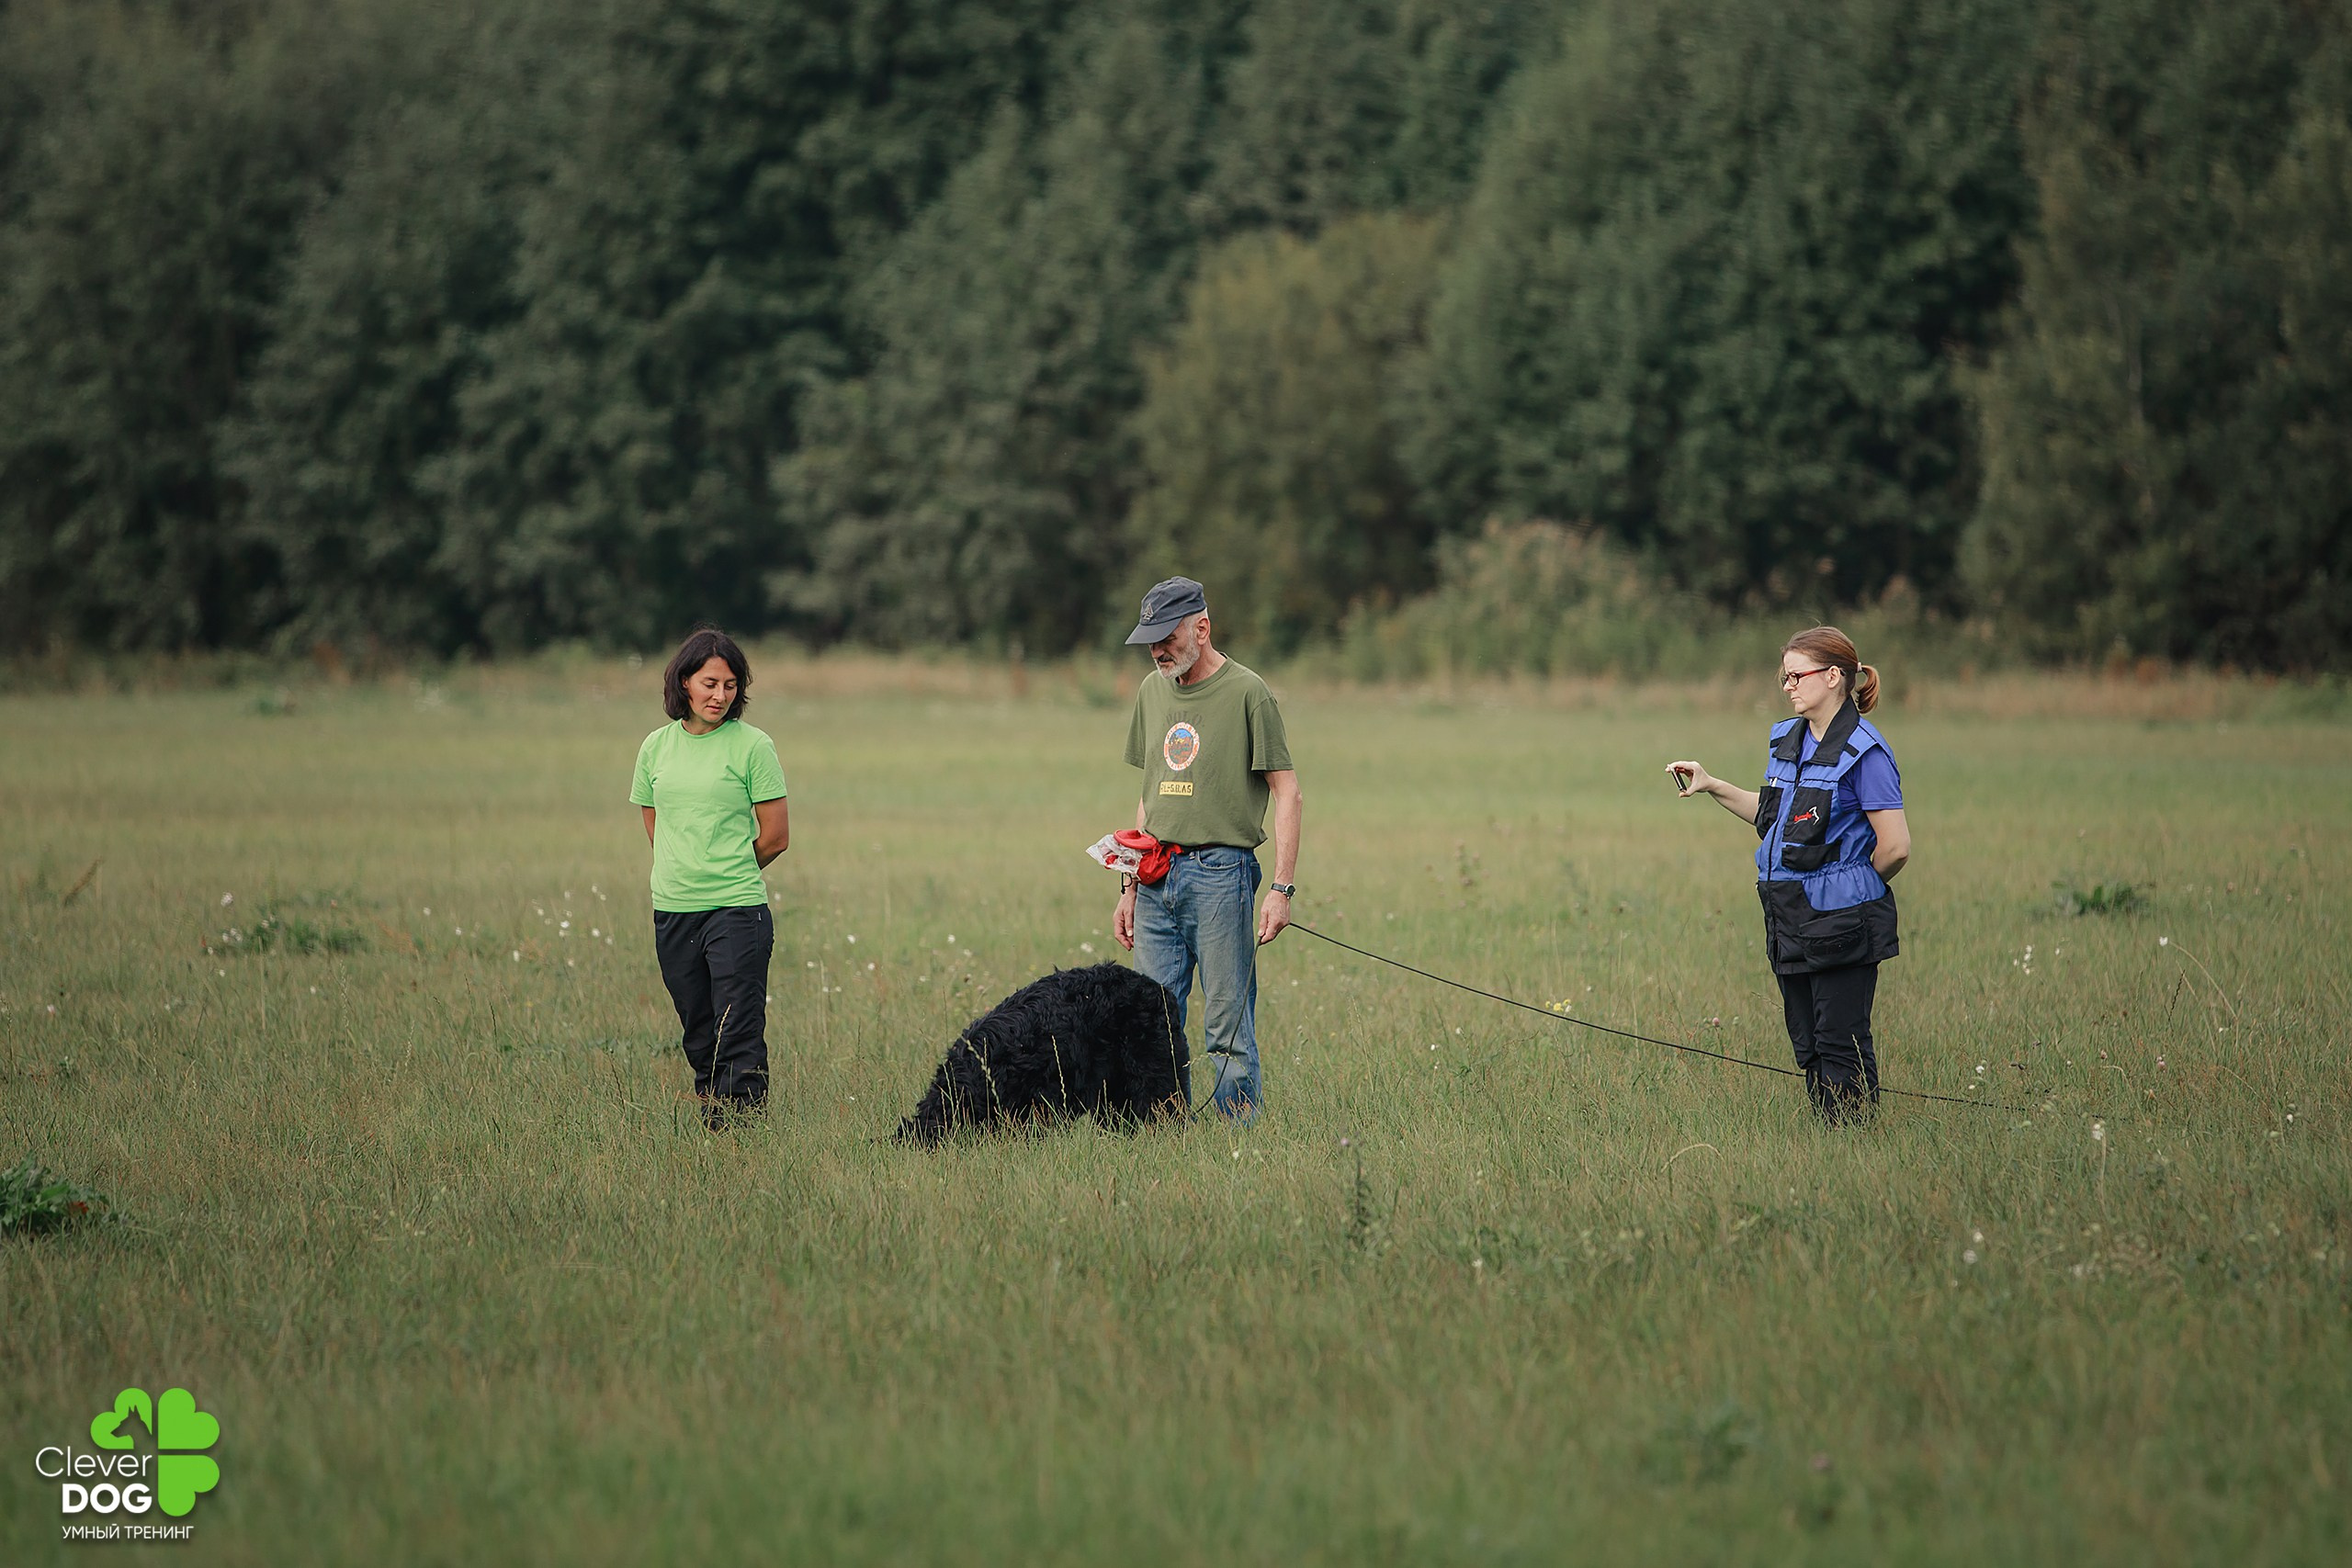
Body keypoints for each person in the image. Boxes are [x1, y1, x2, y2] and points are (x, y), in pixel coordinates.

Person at [1668, 626, 1910, 1122]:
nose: (1787, 685)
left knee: (1839, 1042)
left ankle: (1853, 1140)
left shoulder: (1866, 752)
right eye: (1785, 676)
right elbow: (1774, 817)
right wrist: (1713, 785)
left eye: (1797, 675)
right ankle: (1832, 1137)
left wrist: (1854, 888)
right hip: (1788, 915)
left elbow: (1896, 847)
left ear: (1834, 677)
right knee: (1808, 1045)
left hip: (1841, 922)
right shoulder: (1788, 740)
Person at [1112, 577, 1303, 1122]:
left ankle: (1233, 1138)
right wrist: (1128, 885)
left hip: (1222, 874)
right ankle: (1156, 1133)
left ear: (1201, 627)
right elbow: (1149, 797)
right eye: (1149, 639)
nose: (1156, 650)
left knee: (1227, 1024)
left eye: (1166, 636)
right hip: (1154, 875)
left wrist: (1281, 889)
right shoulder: (1152, 692)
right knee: (1150, 1018)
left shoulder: (1248, 692)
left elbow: (1287, 790)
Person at [630, 627, 789, 1128]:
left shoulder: (753, 747)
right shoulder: (655, 748)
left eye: (730, 685)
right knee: (699, 1029)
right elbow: (657, 823)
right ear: (683, 682)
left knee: (736, 1022)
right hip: (674, 909)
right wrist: (686, 869)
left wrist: (729, 870)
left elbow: (775, 836)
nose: (720, 695)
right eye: (709, 683)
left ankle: (739, 1126)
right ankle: (713, 1106)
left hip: (736, 909)